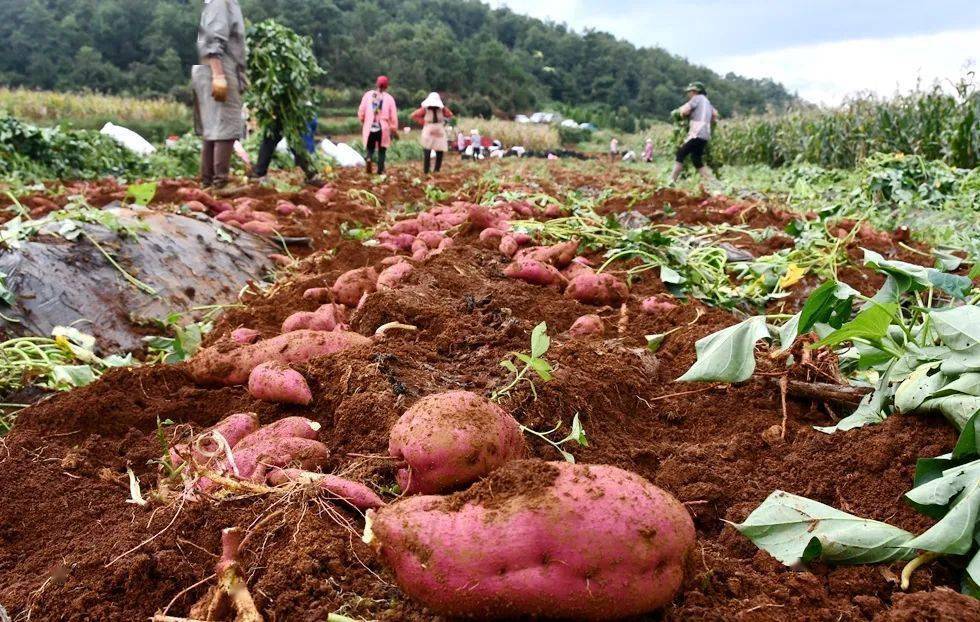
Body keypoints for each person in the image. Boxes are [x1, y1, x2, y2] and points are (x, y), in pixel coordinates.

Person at [193, 0, 247, 190]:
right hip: (220, 68)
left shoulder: (218, 3)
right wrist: (219, 75)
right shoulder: (221, 3)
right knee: (227, 125)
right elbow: (213, 41)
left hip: (212, 68)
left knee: (213, 128)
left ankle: (208, 182)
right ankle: (220, 183)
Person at [250, 105, 320, 184]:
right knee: (276, 136)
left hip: (287, 107)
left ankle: (309, 173)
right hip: (282, 106)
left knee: (288, 137)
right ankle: (309, 173)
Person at [671, 81, 718, 183]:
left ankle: (671, 181)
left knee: (680, 154)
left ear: (695, 92)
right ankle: (713, 183)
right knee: (696, 160)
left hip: (697, 132)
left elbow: (683, 111)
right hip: (705, 134)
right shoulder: (708, 102)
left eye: (690, 92)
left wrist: (682, 115)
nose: (689, 94)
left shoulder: (696, 99)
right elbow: (715, 116)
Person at [358, 76, 398, 175]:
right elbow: (393, 116)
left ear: (377, 84)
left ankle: (369, 158)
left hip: (370, 126)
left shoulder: (368, 95)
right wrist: (393, 128)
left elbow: (361, 111)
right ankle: (380, 170)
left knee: (370, 148)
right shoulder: (389, 98)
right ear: (386, 86)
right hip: (383, 128)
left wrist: (363, 121)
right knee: (382, 150)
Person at [410, 92, 454, 175]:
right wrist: (423, 122)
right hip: (430, 128)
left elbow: (450, 115)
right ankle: (427, 170)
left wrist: (444, 110)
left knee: (439, 150)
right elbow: (413, 115)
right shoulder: (425, 109)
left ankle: (436, 170)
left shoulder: (441, 109)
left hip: (437, 129)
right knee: (427, 150)